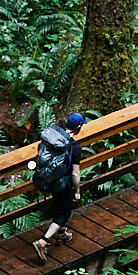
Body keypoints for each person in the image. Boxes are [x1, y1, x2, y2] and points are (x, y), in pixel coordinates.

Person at [30, 111, 89, 264]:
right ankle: (43, 241)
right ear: (79, 126)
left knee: (59, 205)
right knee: (64, 213)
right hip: (62, 183)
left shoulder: (53, 136)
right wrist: (77, 191)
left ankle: (62, 233)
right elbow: (75, 173)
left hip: (49, 180)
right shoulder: (74, 147)